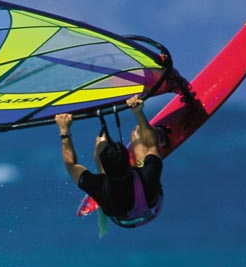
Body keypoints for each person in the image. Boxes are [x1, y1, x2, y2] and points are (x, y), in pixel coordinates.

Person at [55, 95, 165, 228]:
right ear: (129, 162)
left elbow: (70, 164)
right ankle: (163, 136)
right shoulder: (148, 174)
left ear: (103, 168)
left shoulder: (97, 185)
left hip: (120, 218)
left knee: (101, 143)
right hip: (150, 211)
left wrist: (64, 130)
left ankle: (103, 149)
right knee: (139, 133)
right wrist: (138, 113)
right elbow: (151, 144)